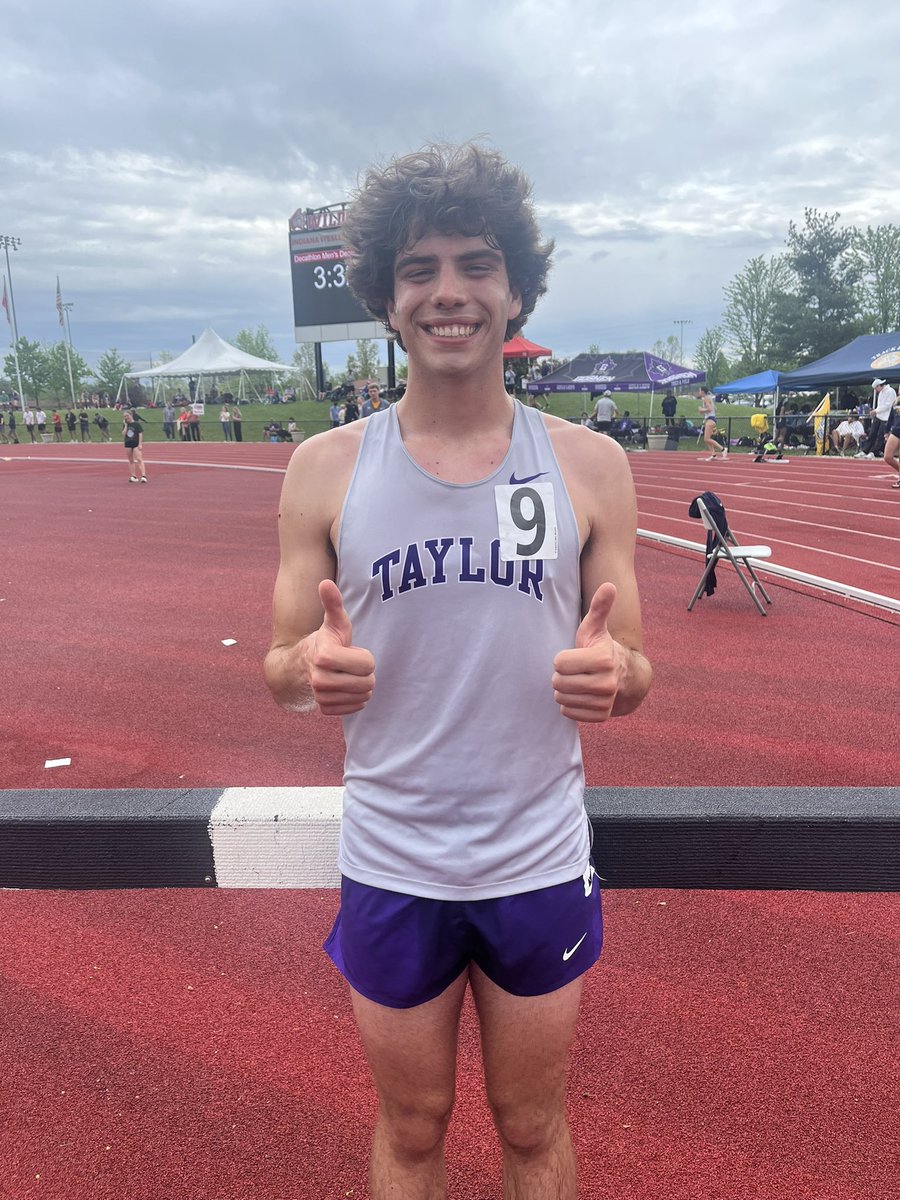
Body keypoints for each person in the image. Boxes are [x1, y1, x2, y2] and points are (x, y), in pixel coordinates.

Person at [264, 143, 652, 1200]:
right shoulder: (324, 469)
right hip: (395, 861)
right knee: (414, 1123)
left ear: (515, 287)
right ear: (386, 299)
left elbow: (638, 665)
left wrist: (612, 675)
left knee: (531, 1125)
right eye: (419, 268)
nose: (449, 292)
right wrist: (311, 667)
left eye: (476, 264)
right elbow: (279, 665)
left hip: (536, 855)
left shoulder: (590, 465)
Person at [857, 378, 897, 459]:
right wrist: (875, 411)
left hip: (886, 417)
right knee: (872, 433)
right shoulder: (881, 392)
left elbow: (888, 405)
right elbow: (881, 405)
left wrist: (876, 410)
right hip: (878, 416)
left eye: (876, 388)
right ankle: (865, 450)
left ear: (879, 385)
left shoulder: (890, 391)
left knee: (880, 435)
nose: (876, 390)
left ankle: (874, 452)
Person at [697, 386, 727, 460]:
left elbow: (710, 409)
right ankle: (713, 454)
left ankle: (723, 449)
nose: (699, 392)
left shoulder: (706, 398)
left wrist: (701, 410)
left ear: (703, 391)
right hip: (711, 419)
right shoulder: (709, 398)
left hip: (710, 419)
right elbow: (715, 409)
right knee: (707, 439)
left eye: (700, 391)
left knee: (706, 439)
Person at [123, 411, 147, 483]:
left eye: (127, 416)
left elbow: (140, 434)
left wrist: (140, 444)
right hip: (128, 443)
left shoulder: (136, 424)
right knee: (131, 460)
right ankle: (133, 476)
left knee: (139, 458)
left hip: (136, 443)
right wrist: (126, 425)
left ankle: (143, 476)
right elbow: (124, 434)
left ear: (131, 415)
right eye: (125, 416)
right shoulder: (126, 424)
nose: (126, 417)